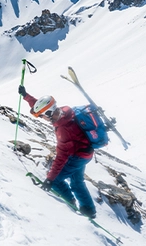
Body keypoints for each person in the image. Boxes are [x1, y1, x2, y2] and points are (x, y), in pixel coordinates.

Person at [19, 85, 97, 218]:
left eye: (43, 116)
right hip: (85, 152)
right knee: (77, 181)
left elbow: (61, 158)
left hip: (77, 156)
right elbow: (43, 106)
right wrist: (26, 96)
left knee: (56, 180)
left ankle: (70, 202)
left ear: (49, 114)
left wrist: (50, 179)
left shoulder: (63, 130)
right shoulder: (64, 112)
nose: (42, 118)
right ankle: (89, 210)